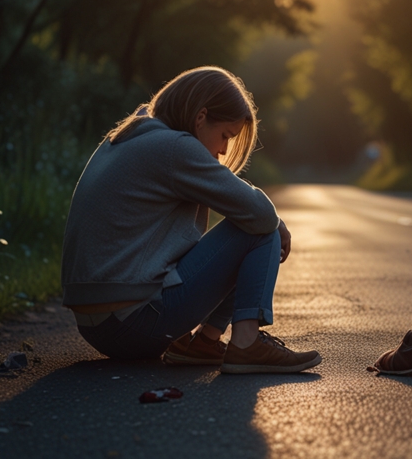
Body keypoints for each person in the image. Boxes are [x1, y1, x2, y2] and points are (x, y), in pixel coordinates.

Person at [61, 66, 321, 374]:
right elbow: (259, 215)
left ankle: (202, 344)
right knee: (261, 230)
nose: (224, 150)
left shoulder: (133, 135)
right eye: (224, 135)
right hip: (132, 325)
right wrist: (277, 225)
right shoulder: (174, 147)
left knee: (255, 223)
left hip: (98, 326)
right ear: (200, 118)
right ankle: (246, 344)